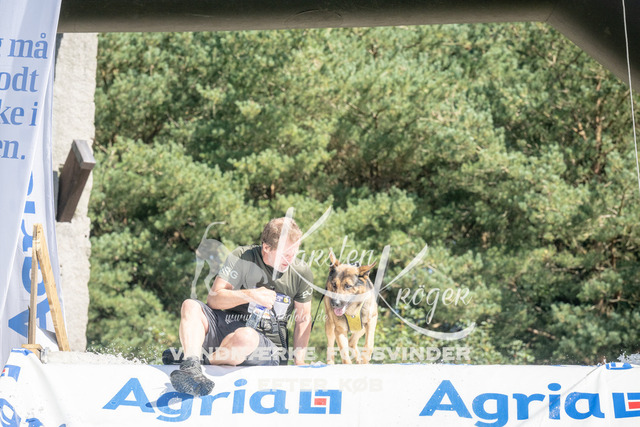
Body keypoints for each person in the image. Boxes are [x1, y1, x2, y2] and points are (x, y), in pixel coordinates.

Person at [169, 217, 313, 396]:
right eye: (285, 254)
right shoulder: (243, 256)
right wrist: (250, 295)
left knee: (245, 337)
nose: (290, 260)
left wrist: (299, 361)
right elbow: (213, 300)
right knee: (190, 305)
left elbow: (303, 319)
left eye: (294, 253)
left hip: (266, 346)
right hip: (229, 329)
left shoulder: (301, 272)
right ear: (266, 247)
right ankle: (191, 364)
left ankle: (203, 360)